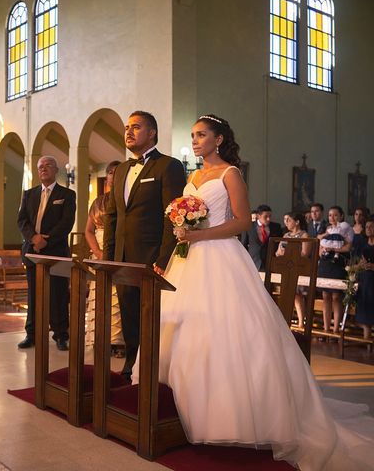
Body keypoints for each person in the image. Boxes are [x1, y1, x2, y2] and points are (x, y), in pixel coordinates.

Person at [132, 114, 374, 470]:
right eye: (193, 136)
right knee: (180, 329)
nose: (195, 141)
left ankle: (227, 415)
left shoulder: (231, 173)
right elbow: (179, 219)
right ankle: (176, 411)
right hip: (187, 258)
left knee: (226, 334)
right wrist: (181, 232)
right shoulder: (192, 176)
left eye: (201, 135)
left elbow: (242, 221)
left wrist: (198, 233)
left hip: (220, 257)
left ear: (218, 140)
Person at [103, 110, 186, 380]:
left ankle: (152, 366)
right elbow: (113, 216)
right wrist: (108, 258)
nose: (128, 131)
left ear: (152, 133)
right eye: (127, 127)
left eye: (136, 127)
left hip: (151, 257)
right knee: (128, 314)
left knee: (151, 316)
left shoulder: (168, 166)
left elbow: (172, 216)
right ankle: (130, 363)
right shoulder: (122, 169)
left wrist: (164, 258)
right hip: (122, 257)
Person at [17, 155, 76, 351]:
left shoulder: (67, 195)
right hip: (32, 251)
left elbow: (66, 223)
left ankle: (60, 335)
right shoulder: (29, 194)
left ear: (56, 169)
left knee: (58, 294)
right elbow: (22, 221)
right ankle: (31, 334)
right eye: (40, 166)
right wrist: (34, 238)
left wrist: (45, 241)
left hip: (56, 252)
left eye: (48, 165)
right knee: (34, 294)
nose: (43, 168)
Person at [84, 160, 124, 356]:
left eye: (117, 172)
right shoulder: (98, 202)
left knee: (117, 299)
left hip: (119, 256)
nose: (113, 176)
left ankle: (118, 343)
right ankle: (100, 339)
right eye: (110, 173)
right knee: (99, 297)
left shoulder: (127, 200)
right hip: (99, 255)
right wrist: (98, 253)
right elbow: (89, 231)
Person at [317, 206, 353, 334]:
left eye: (335, 215)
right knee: (325, 295)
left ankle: (336, 329)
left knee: (336, 296)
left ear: (341, 216)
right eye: (330, 215)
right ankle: (326, 329)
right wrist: (322, 251)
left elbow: (347, 248)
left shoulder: (346, 229)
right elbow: (320, 246)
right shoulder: (327, 230)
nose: (332, 217)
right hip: (325, 264)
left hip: (338, 264)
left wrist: (333, 249)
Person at [276, 212, 312, 326]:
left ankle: (301, 321)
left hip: (298, 268)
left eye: (289, 220)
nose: (287, 223)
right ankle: (286, 319)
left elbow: (305, 253)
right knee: (286, 294)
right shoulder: (286, 235)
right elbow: (278, 252)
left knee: (297, 295)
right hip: (286, 268)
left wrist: (290, 253)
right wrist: (280, 252)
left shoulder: (304, 235)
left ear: (297, 222)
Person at [241, 203, 283, 271]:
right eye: (265, 216)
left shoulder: (276, 227)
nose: (268, 219)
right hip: (253, 261)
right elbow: (244, 245)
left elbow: (279, 243)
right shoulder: (248, 226)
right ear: (258, 216)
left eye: (270, 216)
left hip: (270, 262)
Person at [355, 218, 374, 341]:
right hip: (364, 279)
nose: (368, 229)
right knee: (364, 307)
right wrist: (359, 266)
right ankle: (366, 339)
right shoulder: (362, 244)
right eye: (367, 227)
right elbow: (356, 263)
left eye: (371, 226)